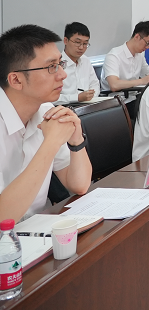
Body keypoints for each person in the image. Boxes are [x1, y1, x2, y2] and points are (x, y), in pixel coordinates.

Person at [0, 24, 92, 221]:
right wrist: (51, 143)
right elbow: (3, 218)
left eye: (60, 63)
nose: (63, 74)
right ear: (16, 80)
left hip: (38, 229)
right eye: (51, 67)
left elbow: (79, 185)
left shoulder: (45, 111)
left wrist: (76, 140)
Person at [101, 20, 149, 91]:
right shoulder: (114, 55)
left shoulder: (140, 56)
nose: (147, 47)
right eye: (147, 43)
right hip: (115, 97)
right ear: (137, 37)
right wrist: (141, 81)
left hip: (134, 95)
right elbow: (114, 85)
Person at [58, 21, 101, 104]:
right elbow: (51, 98)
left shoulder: (85, 60)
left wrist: (91, 97)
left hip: (89, 105)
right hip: (65, 107)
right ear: (65, 41)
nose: (81, 47)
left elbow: (95, 84)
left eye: (85, 44)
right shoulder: (56, 64)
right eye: (77, 42)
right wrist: (77, 98)